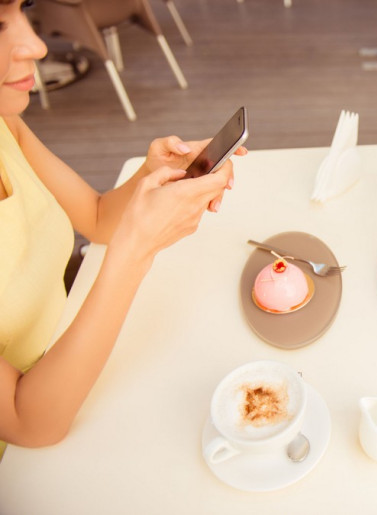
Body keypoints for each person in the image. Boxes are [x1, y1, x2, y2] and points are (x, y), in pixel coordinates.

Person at [0, 0, 246, 460]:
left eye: (22, 13)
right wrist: (136, 253)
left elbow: (95, 217)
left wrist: (153, 175)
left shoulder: (5, 126)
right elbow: (31, 424)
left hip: (79, 356)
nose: (35, 45)